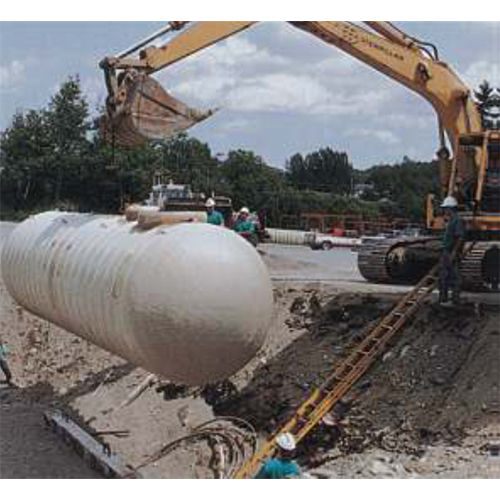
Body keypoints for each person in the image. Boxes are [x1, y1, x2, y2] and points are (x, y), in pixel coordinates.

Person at [439, 196, 465, 305]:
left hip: (451, 252)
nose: (444, 210)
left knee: (455, 276)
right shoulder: (450, 220)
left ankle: (455, 299)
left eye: (446, 208)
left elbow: (459, 237)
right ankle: (443, 298)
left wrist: (454, 252)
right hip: (446, 251)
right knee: (444, 276)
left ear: (451, 208)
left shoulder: (457, 220)